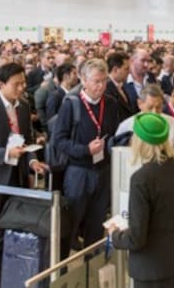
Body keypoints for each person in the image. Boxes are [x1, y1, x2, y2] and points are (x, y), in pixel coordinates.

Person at [0, 62, 47, 288]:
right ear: (1, 84)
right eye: (16, 84)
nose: (22, 88)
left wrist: (32, 160)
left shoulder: (22, 106)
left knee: (8, 230)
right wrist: (5, 153)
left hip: (16, 177)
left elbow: (28, 139)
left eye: (23, 83)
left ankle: (0, 277)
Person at [107, 113, 174, 288]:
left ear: (140, 141)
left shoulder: (141, 178)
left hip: (150, 268)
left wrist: (114, 234)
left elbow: (136, 239)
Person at [53, 58, 119, 259]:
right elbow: (59, 141)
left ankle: (93, 264)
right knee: (71, 223)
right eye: (96, 81)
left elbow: (114, 132)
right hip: (78, 171)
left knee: (97, 223)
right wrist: (84, 150)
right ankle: (61, 268)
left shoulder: (111, 103)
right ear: (84, 80)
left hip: (103, 169)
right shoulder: (71, 104)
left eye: (104, 81)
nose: (101, 86)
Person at [116, 84, 174, 152]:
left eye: (158, 107)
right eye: (150, 108)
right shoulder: (126, 126)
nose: (154, 112)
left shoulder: (173, 123)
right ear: (140, 104)